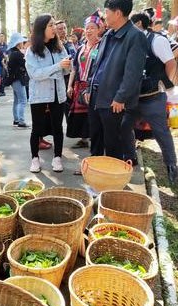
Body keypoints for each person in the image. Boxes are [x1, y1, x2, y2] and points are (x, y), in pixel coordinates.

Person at [84, 0, 147, 160]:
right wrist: (89, 88)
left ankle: (113, 182)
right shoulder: (107, 34)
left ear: (118, 13)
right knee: (96, 140)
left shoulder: (135, 36)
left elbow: (133, 73)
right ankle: (95, 176)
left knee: (113, 146)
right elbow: (97, 65)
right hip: (96, 96)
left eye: (107, 12)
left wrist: (121, 97)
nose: (105, 16)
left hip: (114, 101)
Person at [122, 12, 177, 184]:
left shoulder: (157, 40)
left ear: (138, 23)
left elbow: (170, 63)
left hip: (153, 97)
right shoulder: (130, 41)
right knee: (124, 127)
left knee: (162, 133)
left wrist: (170, 87)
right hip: (133, 98)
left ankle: (172, 168)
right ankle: (131, 158)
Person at [26, 14, 70, 173]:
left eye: (54, 25)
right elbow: (35, 74)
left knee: (58, 127)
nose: (54, 29)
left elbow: (66, 71)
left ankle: (57, 157)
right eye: (50, 26)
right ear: (41, 29)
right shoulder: (32, 51)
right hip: (39, 95)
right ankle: (34, 158)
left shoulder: (59, 47)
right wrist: (58, 66)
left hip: (58, 93)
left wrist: (67, 66)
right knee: (37, 128)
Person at [66, 13, 101, 151]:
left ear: (99, 29)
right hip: (80, 86)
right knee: (81, 115)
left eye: (93, 27)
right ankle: (84, 139)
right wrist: (69, 85)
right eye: (87, 28)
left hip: (95, 86)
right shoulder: (81, 47)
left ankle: (97, 142)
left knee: (93, 115)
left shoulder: (101, 46)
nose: (89, 30)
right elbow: (74, 68)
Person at [7, 32, 30, 129]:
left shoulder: (12, 53)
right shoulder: (17, 54)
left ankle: (17, 119)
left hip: (14, 79)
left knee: (17, 100)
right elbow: (26, 63)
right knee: (22, 100)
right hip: (18, 79)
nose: (22, 43)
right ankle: (21, 120)